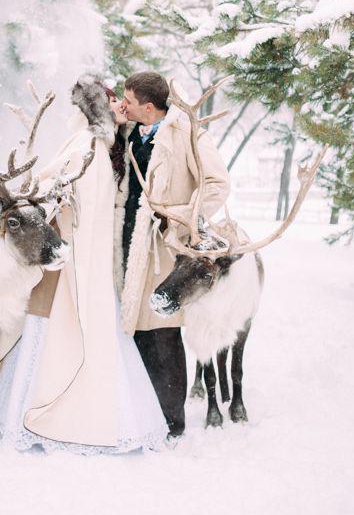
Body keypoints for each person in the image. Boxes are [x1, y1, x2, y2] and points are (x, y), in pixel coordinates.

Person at [0, 74, 168, 454]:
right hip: (76, 261)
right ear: (98, 110)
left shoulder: (103, 145)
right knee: (68, 332)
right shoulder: (86, 144)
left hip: (96, 260)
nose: (121, 104)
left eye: (125, 99)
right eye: (113, 100)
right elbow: (49, 186)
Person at [115, 71, 230, 439]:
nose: (123, 105)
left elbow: (217, 185)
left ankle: (171, 424)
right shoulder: (129, 133)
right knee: (135, 333)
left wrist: (179, 221)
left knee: (161, 333)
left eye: (128, 101)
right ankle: (141, 415)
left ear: (148, 107)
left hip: (165, 249)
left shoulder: (189, 135)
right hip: (128, 246)